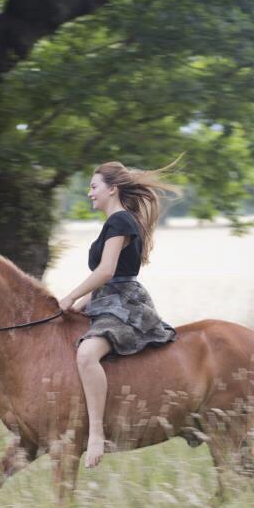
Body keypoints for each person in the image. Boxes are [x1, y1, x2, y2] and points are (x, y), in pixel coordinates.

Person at [58, 160, 180, 468]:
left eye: (94, 187)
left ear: (112, 189)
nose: (89, 193)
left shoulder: (120, 221)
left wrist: (71, 296)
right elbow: (105, 279)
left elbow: (107, 271)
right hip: (106, 299)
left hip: (123, 303)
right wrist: (79, 304)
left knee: (87, 354)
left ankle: (96, 434)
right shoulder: (116, 222)